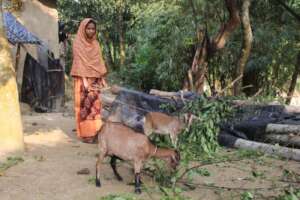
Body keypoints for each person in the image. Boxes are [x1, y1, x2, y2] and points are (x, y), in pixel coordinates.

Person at [70, 18, 107, 143]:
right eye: (88, 28)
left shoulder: (96, 44)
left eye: (93, 29)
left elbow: (99, 62)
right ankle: (86, 134)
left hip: (95, 80)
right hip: (82, 81)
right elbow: (79, 62)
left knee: (96, 108)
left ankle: (96, 132)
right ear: (83, 28)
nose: (91, 31)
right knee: (84, 107)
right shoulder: (77, 43)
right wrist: (85, 80)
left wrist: (101, 78)